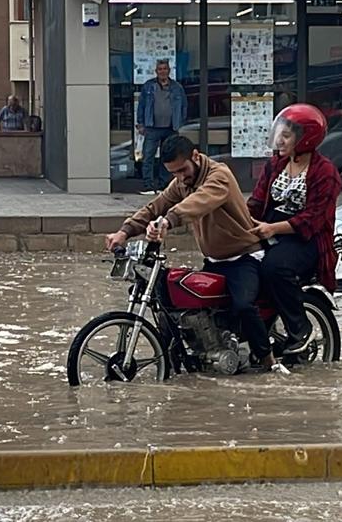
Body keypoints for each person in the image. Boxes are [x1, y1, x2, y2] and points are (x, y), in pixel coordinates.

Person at [104, 135, 283, 372]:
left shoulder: (219, 176)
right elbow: (157, 205)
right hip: (214, 260)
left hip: (244, 256)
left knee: (243, 306)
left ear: (196, 156)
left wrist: (168, 221)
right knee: (180, 305)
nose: (180, 177)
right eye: (174, 173)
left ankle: (268, 360)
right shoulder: (182, 183)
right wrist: (124, 232)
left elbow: (199, 202)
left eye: (182, 170)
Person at [247, 104, 341, 355]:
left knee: (274, 268)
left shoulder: (326, 172)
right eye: (280, 133)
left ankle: (300, 329)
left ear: (305, 139)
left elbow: (313, 220)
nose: (280, 140)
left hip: (305, 239)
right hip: (271, 227)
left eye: (287, 136)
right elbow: (256, 202)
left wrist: (272, 229)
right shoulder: (274, 164)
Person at [135, 59, 187, 195]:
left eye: (165, 69)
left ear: (169, 70)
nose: (162, 71)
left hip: (171, 127)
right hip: (152, 127)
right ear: (156, 71)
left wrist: (180, 122)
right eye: (160, 69)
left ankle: (164, 185)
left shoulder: (177, 87)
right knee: (148, 157)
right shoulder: (148, 86)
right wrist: (140, 123)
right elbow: (141, 106)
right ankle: (148, 185)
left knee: (168, 157)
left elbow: (184, 107)